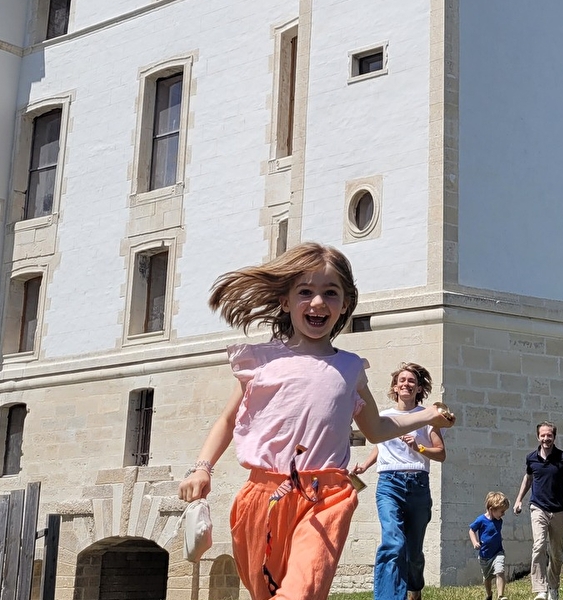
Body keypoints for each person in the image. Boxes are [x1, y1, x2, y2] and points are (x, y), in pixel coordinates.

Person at [178, 243, 455, 600]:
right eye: (305, 292)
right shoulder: (259, 361)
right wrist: (202, 469)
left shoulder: (351, 368)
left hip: (327, 497)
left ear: (345, 304)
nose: (318, 303)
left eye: (330, 293)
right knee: (266, 593)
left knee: (301, 591)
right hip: (262, 498)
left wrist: (427, 415)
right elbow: (229, 419)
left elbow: (377, 430)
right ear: (285, 300)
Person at [352, 362, 447, 600]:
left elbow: (441, 454)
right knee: (393, 542)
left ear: (418, 388)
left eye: (411, 381)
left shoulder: (427, 417)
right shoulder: (384, 416)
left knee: (413, 553)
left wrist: (419, 447)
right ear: (395, 387)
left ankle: (415, 588)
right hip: (388, 484)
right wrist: (364, 464)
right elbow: (380, 445)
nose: (406, 384)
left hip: (418, 484)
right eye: (402, 380)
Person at [511, 422, 563, 600]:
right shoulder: (531, 458)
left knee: (556, 552)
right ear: (538, 437)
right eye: (543, 435)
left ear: (554, 437)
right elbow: (528, 479)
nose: (546, 438)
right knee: (539, 545)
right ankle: (540, 589)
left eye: (549, 435)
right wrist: (519, 500)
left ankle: (553, 587)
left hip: (559, 509)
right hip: (538, 507)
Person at [467, 491, 509, 600]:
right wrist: (475, 542)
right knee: (487, 578)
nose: (503, 514)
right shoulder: (481, 520)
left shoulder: (499, 521)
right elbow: (471, 530)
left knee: (500, 571)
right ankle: (489, 594)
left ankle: (500, 596)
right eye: (502, 511)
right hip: (485, 556)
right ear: (491, 510)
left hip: (498, 552)